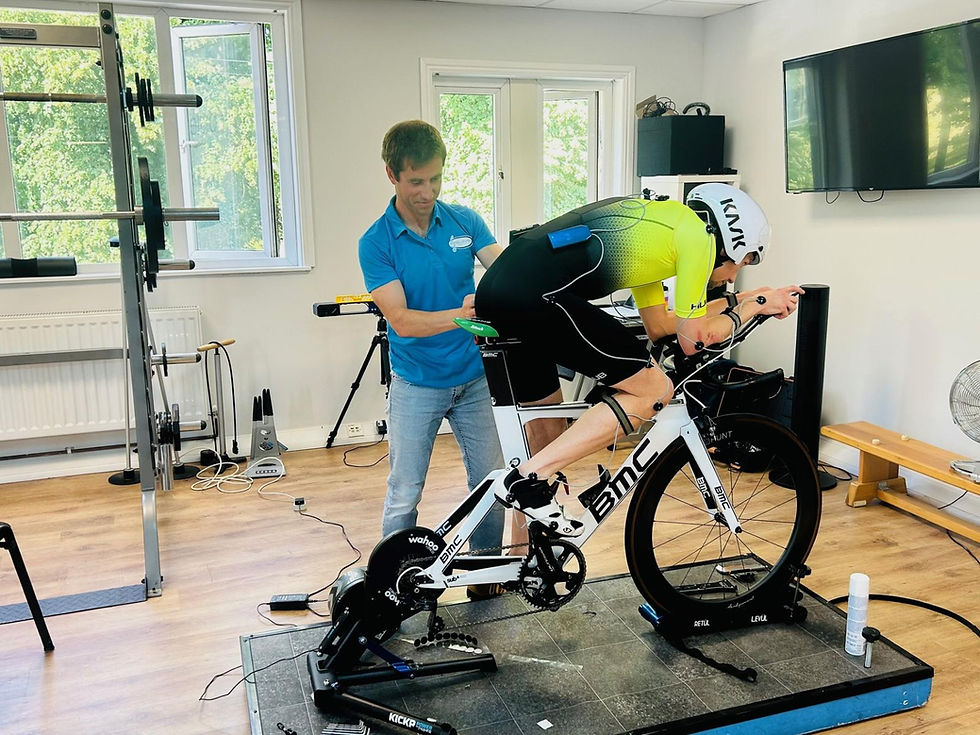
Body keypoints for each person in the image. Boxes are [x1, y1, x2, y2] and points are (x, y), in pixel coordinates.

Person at [475, 184, 803, 537]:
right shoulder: (700, 238)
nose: (734, 276)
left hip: (500, 290)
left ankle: (524, 554)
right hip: (534, 297)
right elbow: (694, 341)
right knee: (654, 390)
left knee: (547, 433)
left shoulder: (659, 227)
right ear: (732, 242)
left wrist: (741, 300)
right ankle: (527, 481)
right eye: (745, 261)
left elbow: (660, 326)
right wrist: (754, 306)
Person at [358, 120, 506, 592]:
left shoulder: (465, 221)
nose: (428, 192)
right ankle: (391, 584)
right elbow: (402, 321)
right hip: (416, 383)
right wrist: (463, 316)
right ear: (392, 175)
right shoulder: (376, 242)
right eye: (416, 181)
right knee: (405, 492)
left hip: (475, 378)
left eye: (436, 179)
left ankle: (485, 574)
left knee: (491, 483)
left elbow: (504, 270)